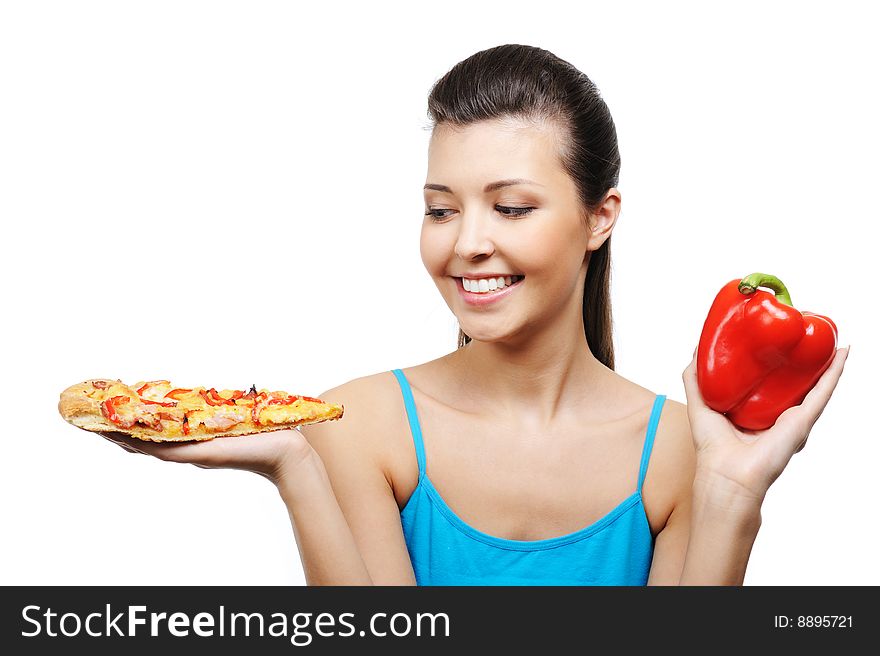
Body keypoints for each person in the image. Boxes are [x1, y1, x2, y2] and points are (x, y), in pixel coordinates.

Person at [100, 44, 849, 585]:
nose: (467, 244)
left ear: (599, 217)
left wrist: (732, 495)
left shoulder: (687, 451)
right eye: (440, 210)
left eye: (512, 207)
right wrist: (295, 470)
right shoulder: (355, 425)